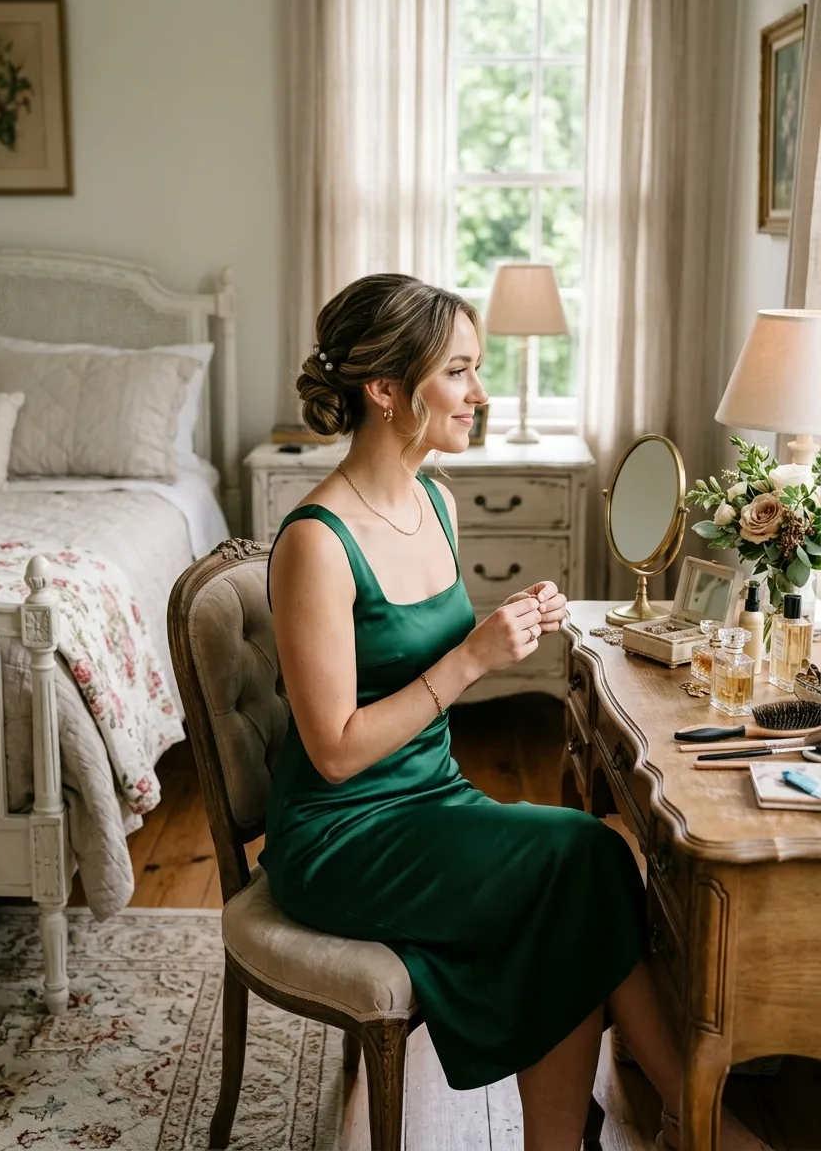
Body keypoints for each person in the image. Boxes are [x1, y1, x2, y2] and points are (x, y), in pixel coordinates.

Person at [259, 274, 769, 1151]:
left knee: (596, 864)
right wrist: (472, 660)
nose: (481, 394)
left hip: (431, 801)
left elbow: (420, 662)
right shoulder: (315, 541)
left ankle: (615, 1129)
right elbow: (336, 753)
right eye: (459, 372)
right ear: (385, 390)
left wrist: (514, 626)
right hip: (344, 835)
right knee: (579, 866)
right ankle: (694, 1119)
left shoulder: (436, 502)